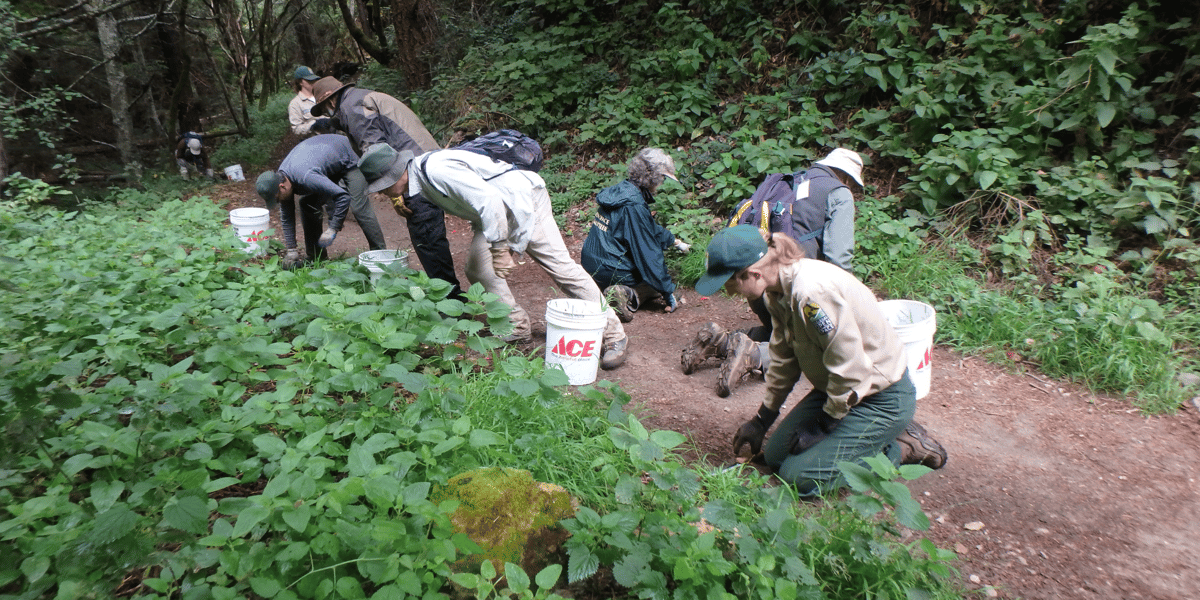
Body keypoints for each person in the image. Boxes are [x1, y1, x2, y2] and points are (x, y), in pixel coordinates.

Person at [696, 225, 947, 496]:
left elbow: (851, 367)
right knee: (776, 456)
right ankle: (863, 434)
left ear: (753, 274)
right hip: (838, 390)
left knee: (801, 478)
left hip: (880, 396)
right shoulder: (776, 291)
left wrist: (825, 424)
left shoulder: (811, 295)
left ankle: (897, 447)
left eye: (729, 283)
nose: (729, 292)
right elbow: (782, 358)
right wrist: (763, 417)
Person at [357, 142, 630, 369]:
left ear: (395, 174)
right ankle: (516, 325)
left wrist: (500, 248)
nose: (380, 192)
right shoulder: (420, 178)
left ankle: (615, 334)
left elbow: (489, 199)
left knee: (561, 268)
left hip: (522, 202)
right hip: (496, 213)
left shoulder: (437, 171)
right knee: (477, 268)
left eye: (382, 185)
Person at [682, 148, 865, 397]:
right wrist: (843, 305)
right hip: (794, 284)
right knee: (820, 347)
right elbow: (839, 256)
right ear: (847, 178)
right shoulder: (839, 192)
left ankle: (723, 342)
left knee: (779, 331)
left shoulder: (789, 181)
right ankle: (755, 355)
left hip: (757, 279)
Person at [310, 76, 464, 300]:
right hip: (424, 163)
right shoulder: (360, 98)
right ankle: (449, 294)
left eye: (324, 109)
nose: (327, 113)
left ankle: (451, 299)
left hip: (413, 170)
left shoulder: (352, 107)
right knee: (429, 236)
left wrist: (395, 195)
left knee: (426, 237)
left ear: (330, 102)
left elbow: (376, 151)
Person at [580, 148, 690, 322]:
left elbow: (649, 229)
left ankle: (602, 290)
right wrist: (668, 290)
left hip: (591, 264)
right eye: (662, 178)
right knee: (652, 283)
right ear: (653, 177)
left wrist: (674, 241)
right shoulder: (634, 205)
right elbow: (648, 252)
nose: (661, 183)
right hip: (611, 268)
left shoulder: (620, 192)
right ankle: (628, 294)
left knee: (651, 274)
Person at [254, 134, 382, 268]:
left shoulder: (306, 177)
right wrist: (291, 250)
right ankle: (316, 257)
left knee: (358, 207)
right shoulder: (281, 179)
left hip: (347, 156)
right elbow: (287, 216)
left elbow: (343, 197)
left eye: (277, 199)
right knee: (306, 204)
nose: (279, 202)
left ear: (282, 187)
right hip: (325, 162)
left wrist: (333, 228)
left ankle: (380, 255)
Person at [287, 66, 334, 136]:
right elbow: (296, 129)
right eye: (309, 80)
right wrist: (313, 125)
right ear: (300, 82)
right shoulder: (295, 104)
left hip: (334, 136)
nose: (313, 82)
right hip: (314, 142)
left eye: (314, 79)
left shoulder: (323, 96)